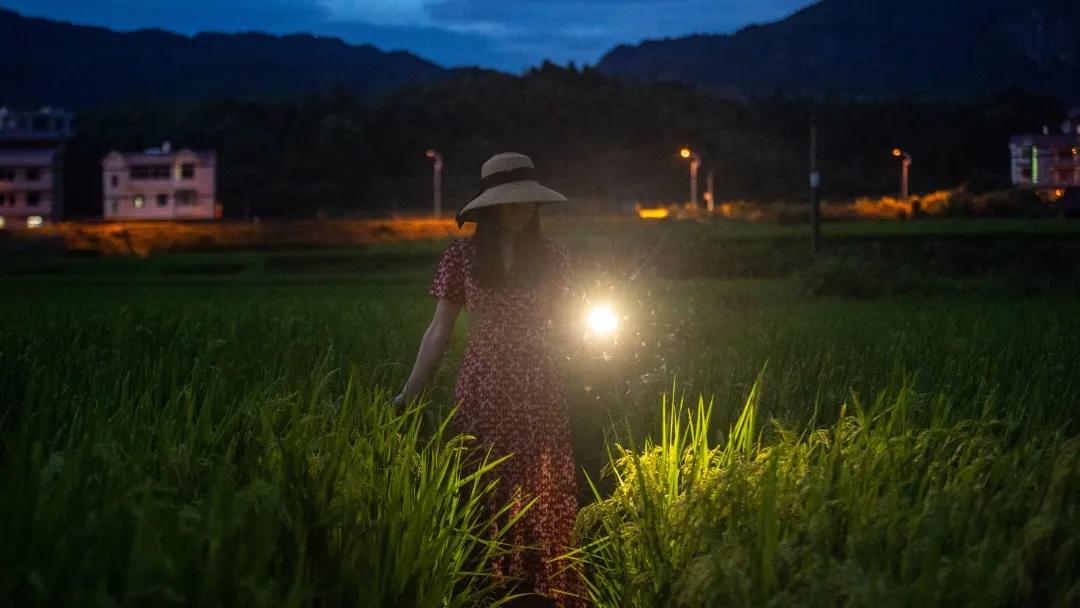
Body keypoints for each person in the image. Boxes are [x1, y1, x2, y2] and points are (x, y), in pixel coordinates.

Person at [394, 152, 584, 607]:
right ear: (491, 207)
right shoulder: (461, 256)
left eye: (528, 203)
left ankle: (542, 591)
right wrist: (409, 391)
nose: (521, 211)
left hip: (540, 385)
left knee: (541, 485)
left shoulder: (554, 257)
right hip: (482, 387)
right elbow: (439, 330)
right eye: (512, 202)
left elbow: (571, 325)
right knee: (482, 486)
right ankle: (486, 588)